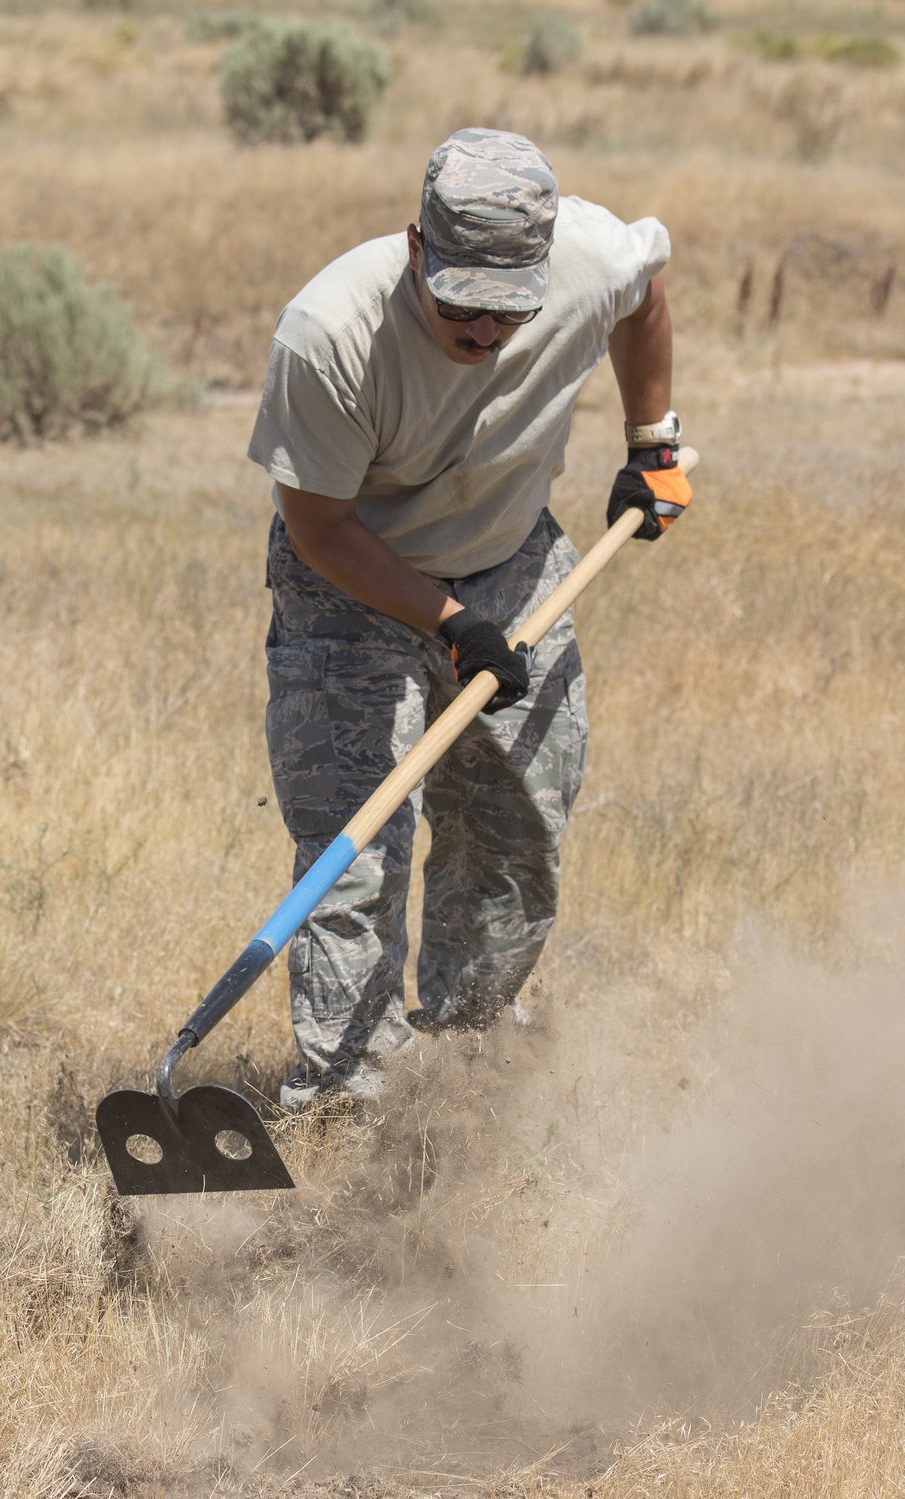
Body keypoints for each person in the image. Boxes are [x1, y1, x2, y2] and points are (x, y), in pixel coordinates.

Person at [248, 126, 692, 1111]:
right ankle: (344, 1100)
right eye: (462, 308)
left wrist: (652, 441)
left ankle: (462, 1077)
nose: (486, 333)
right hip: (348, 585)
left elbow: (643, 293)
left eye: (508, 313)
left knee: (513, 829)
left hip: (511, 562)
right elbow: (318, 525)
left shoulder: (588, 258)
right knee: (349, 853)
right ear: (417, 249)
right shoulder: (330, 333)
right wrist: (445, 617)